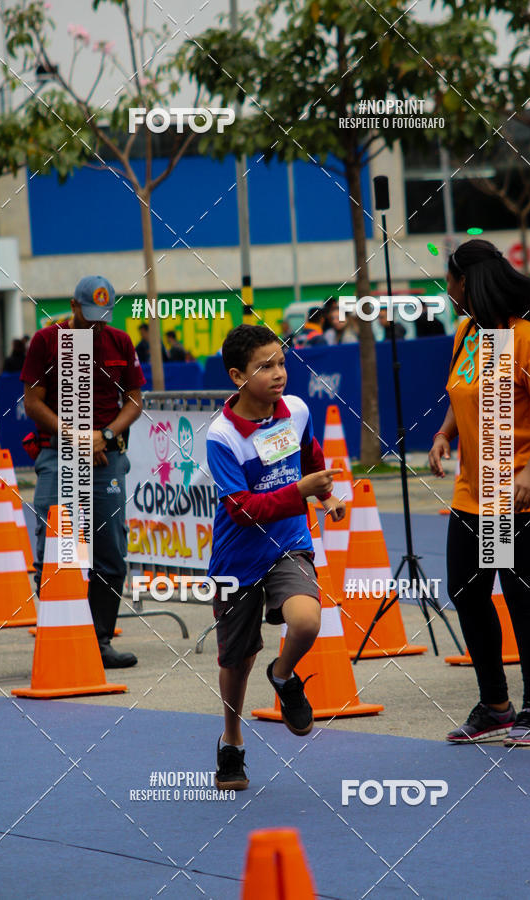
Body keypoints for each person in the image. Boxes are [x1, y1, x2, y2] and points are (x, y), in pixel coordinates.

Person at [428, 239, 530, 746]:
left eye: (450, 280)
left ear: (468, 282)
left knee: (518, 591)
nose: (447, 291)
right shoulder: (469, 334)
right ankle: (495, 705)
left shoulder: (526, 338)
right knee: (466, 590)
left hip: (517, 492)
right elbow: (461, 393)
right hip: (474, 491)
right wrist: (445, 433)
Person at [206, 324, 346, 790]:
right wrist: (299, 492)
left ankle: (284, 677)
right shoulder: (222, 436)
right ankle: (231, 742)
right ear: (237, 376)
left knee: (307, 620)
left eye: (281, 362)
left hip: (288, 543)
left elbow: (308, 457)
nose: (278, 373)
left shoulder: (298, 411)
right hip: (236, 557)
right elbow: (243, 510)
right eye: (264, 366)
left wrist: (323, 495)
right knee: (235, 661)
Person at [21, 275, 146, 668]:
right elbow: (32, 402)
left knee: (110, 548)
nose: (96, 325)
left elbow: (135, 398)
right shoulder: (46, 342)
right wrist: (74, 435)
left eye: (103, 318)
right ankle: (62, 635)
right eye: (90, 317)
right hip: (58, 454)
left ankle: (100, 639)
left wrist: (105, 434)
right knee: (57, 549)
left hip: (106, 456)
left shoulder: (120, 342)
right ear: (73, 307)